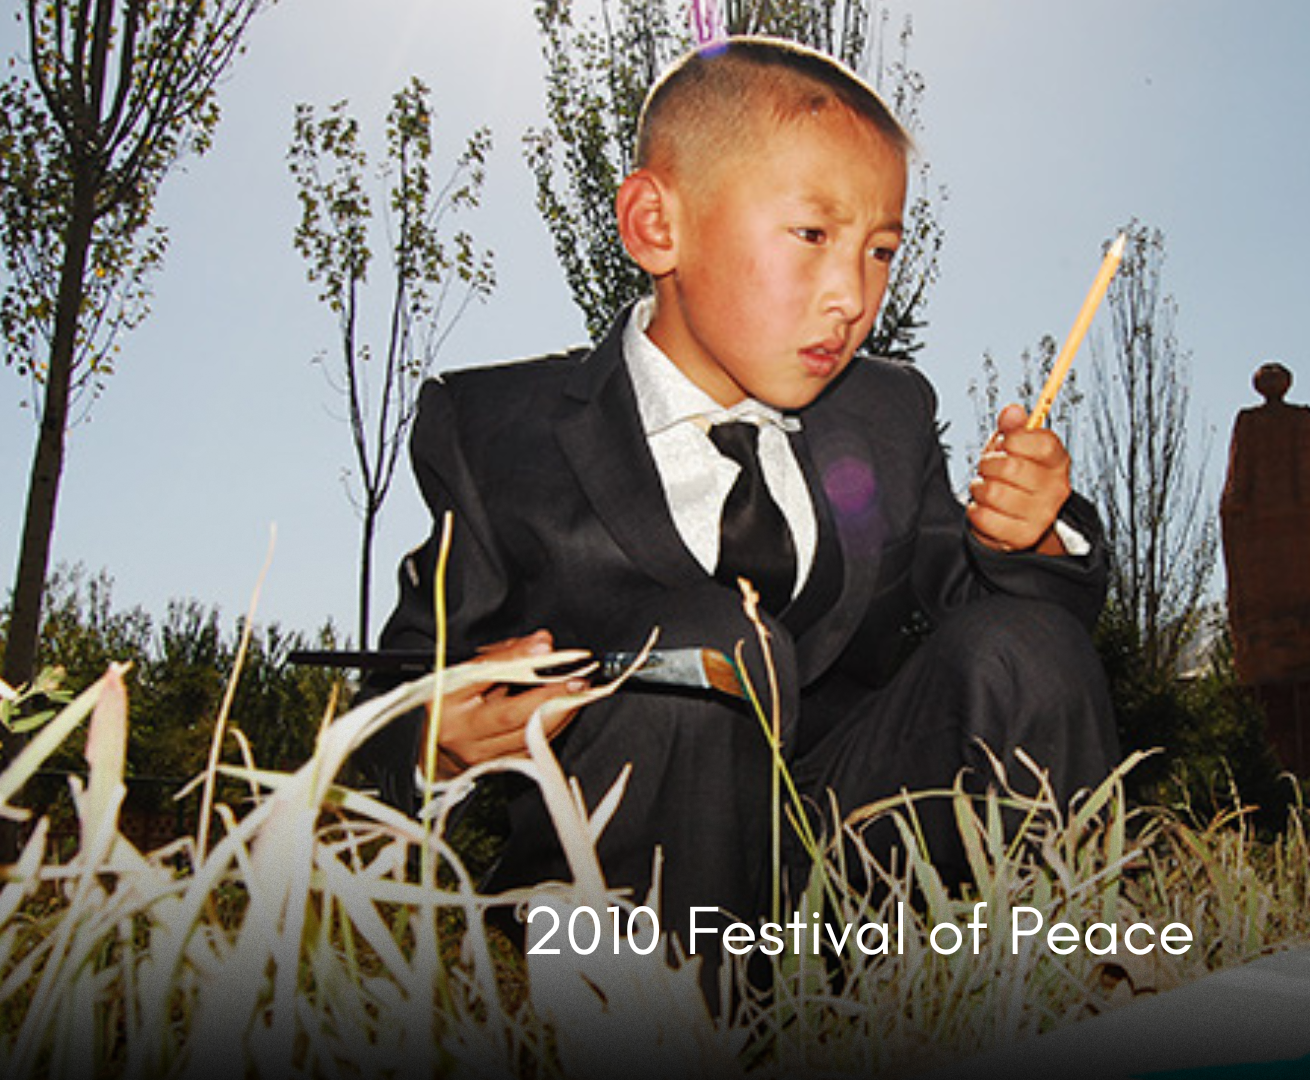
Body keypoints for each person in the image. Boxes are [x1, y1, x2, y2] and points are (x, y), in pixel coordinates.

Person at [352, 37, 1118, 944]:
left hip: (850, 864)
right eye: (812, 235)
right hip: (635, 887)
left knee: (1023, 644)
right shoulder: (491, 431)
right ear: (654, 226)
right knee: (707, 642)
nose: (851, 294)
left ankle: (1064, 977)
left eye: (879, 251)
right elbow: (388, 709)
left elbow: (982, 602)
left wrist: (1025, 536)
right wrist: (437, 733)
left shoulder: (886, 413)